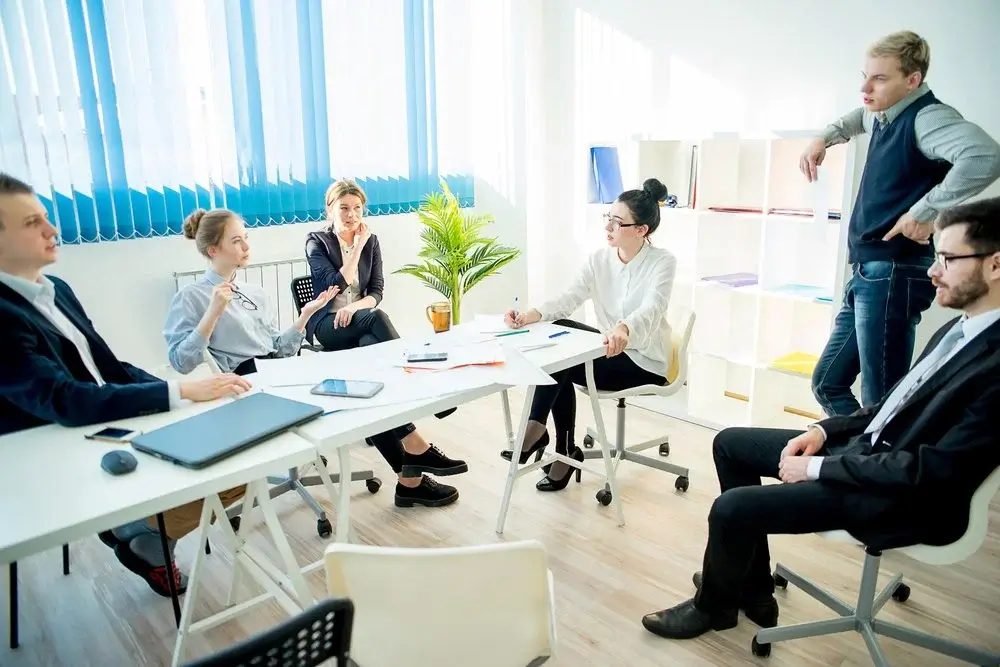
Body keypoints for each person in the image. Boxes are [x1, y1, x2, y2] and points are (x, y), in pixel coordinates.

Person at [640, 197, 1000, 642]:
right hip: (868, 456)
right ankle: (753, 591)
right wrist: (823, 429)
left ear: (995, 265)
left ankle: (714, 607)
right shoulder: (960, 329)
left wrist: (816, 467)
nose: (932, 270)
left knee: (732, 510)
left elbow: (932, 473)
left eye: (946, 258)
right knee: (730, 442)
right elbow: (893, 405)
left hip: (899, 494)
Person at [0, 173, 253, 598]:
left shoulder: (56, 289)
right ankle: (144, 533)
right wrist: (182, 392)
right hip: (52, 448)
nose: (52, 230)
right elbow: (64, 400)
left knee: (242, 458)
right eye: (32, 224)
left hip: (105, 420)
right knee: (232, 467)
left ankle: (145, 534)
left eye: (46, 217)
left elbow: (108, 367)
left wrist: (181, 397)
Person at [164, 207, 468, 510]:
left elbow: (279, 348)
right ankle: (413, 460)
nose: (246, 247)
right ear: (213, 249)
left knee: (362, 386)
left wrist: (304, 317)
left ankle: (410, 474)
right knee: (355, 392)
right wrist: (213, 312)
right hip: (249, 383)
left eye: (246, 238)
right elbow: (181, 361)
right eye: (236, 242)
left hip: (280, 368)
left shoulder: (253, 293)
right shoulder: (193, 297)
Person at [801, 30, 1000, 417]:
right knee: (828, 382)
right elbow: (855, 117)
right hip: (867, 270)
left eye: (879, 78)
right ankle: (854, 460)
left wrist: (924, 211)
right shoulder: (881, 113)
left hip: (892, 271)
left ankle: (866, 470)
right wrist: (822, 138)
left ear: (913, 80)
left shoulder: (927, 117)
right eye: (865, 75)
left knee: (884, 402)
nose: (865, 86)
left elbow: (985, 156)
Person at [500, 178, 676, 491]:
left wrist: (625, 327)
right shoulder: (599, 260)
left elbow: (652, 308)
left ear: (641, 230)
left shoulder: (662, 263)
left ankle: (552, 441)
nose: (608, 226)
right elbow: (569, 297)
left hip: (642, 360)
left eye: (617, 221)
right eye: (607, 217)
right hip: (607, 348)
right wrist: (530, 315)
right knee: (561, 335)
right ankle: (552, 441)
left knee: (563, 360)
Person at [305, 178, 457, 420]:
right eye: (344, 208)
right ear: (330, 209)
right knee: (376, 319)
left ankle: (383, 418)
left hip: (358, 317)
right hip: (326, 323)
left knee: (369, 342)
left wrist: (354, 307)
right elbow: (337, 283)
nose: (351, 215)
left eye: (357, 208)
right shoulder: (317, 241)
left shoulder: (372, 241)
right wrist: (357, 246)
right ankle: (424, 384)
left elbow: (376, 291)